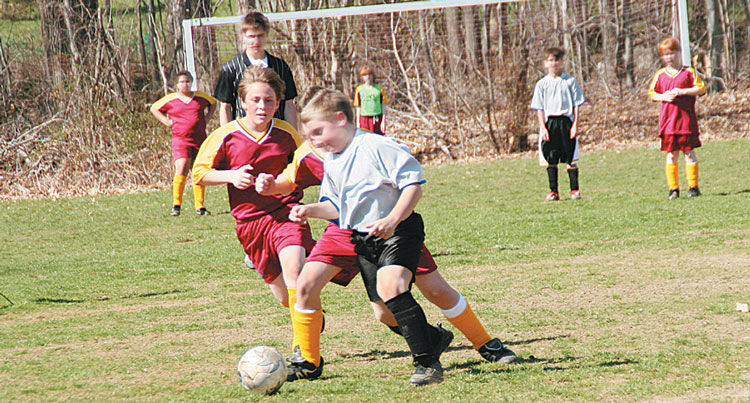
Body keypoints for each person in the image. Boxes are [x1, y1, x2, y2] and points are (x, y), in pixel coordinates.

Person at [255, 133, 517, 383]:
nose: (314, 135)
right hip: (341, 231)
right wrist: (271, 187)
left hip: (383, 229)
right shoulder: (308, 152)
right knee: (305, 284)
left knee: (430, 293)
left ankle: (485, 343)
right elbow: (290, 180)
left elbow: (406, 184)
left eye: (320, 128)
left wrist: (394, 218)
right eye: (311, 129)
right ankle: (308, 362)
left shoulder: (367, 146)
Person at [284, 88, 452, 386]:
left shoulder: (377, 146)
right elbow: (336, 206)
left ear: (340, 119)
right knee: (383, 311)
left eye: (318, 132)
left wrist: (392, 219)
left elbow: (413, 186)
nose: (315, 142)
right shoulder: (333, 160)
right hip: (364, 238)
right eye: (309, 136)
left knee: (392, 287)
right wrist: (309, 209)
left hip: (400, 230)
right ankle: (434, 338)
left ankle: (427, 364)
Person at [192, 66, 314, 355]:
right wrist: (232, 176)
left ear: (277, 103)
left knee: (295, 271)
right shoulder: (226, 135)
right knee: (285, 297)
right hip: (250, 224)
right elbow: (199, 173)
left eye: (269, 101)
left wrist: (280, 182)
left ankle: (304, 349)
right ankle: (307, 319)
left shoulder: (286, 134)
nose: (263, 106)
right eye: (256, 100)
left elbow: (303, 167)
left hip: (286, 213)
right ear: (242, 102)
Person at [213, 11, 298, 129]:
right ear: (243, 36)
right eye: (251, 36)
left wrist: (293, 136)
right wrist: (227, 137)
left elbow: (289, 105)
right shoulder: (231, 68)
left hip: (276, 134)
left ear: (266, 35)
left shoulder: (280, 66)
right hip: (244, 134)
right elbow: (225, 107)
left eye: (260, 36)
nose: (256, 42)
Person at [150, 71, 216, 216]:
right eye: (182, 82)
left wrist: (207, 118)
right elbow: (154, 108)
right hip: (181, 140)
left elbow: (213, 103)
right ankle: (176, 205)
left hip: (199, 139)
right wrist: (167, 122)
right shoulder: (171, 99)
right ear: (177, 85)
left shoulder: (200, 97)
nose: (185, 84)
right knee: (181, 168)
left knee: (198, 170)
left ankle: (200, 206)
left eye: (187, 81)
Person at [648, 38, 706, 200]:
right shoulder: (660, 75)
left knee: (689, 152)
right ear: (662, 57)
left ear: (679, 53)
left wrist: (683, 91)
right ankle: (673, 189)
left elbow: (701, 89)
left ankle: (693, 187)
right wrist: (664, 96)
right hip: (668, 123)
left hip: (686, 121)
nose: (669, 57)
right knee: (671, 154)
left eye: (672, 53)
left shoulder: (688, 72)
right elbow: (652, 94)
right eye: (666, 54)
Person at [530, 47, 586, 201]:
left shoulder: (570, 82)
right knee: (551, 157)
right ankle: (553, 191)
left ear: (561, 62)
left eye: (556, 60)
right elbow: (539, 108)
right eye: (550, 60)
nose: (553, 63)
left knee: (570, 157)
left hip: (566, 122)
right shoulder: (541, 84)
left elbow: (576, 105)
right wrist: (543, 127)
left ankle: (574, 190)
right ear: (545, 64)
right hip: (550, 123)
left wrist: (575, 124)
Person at [353, 66, 387, 135]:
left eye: (370, 75)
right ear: (362, 77)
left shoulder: (379, 89)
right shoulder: (359, 89)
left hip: (377, 118)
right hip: (364, 119)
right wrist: (358, 123)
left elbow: (383, 104)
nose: (368, 77)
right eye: (365, 75)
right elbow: (358, 107)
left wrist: (383, 121)